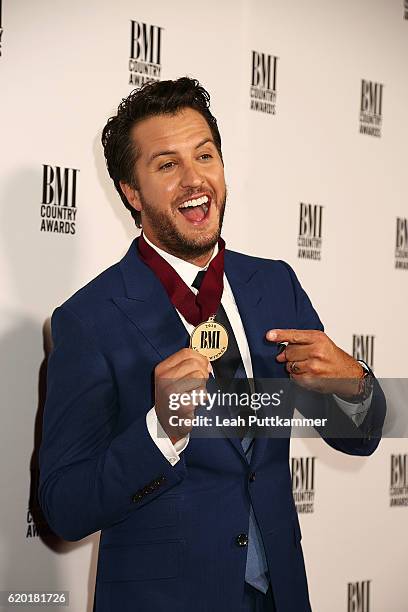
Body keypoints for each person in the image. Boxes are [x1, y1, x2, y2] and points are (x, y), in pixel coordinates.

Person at [39, 77, 385, 612]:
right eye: (166, 164)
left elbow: (359, 439)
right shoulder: (88, 320)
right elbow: (63, 510)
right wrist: (161, 431)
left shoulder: (275, 285)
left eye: (204, 155)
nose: (194, 178)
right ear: (132, 193)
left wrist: (353, 384)